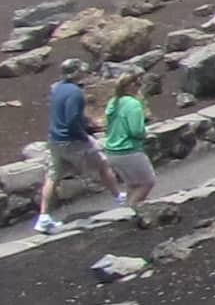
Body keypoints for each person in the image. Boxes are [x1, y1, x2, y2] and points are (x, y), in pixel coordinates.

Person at [32, 66, 106, 234]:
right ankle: (121, 199)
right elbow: (73, 119)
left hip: (54, 139)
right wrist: (85, 136)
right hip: (72, 140)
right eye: (82, 72)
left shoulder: (57, 89)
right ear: (76, 74)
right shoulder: (74, 93)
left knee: (53, 176)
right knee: (103, 164)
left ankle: (43, 217)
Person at [96, 73, 159, 218]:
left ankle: (128, 211)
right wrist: (144, 132)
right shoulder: (133, 104)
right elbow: (136, 130)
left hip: (112, 151)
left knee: (132, 185)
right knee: (147, 182)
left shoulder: (114, 102)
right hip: (129, 150)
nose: (139, 87)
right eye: (137, 84)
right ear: (130, 86)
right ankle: (130, 213)